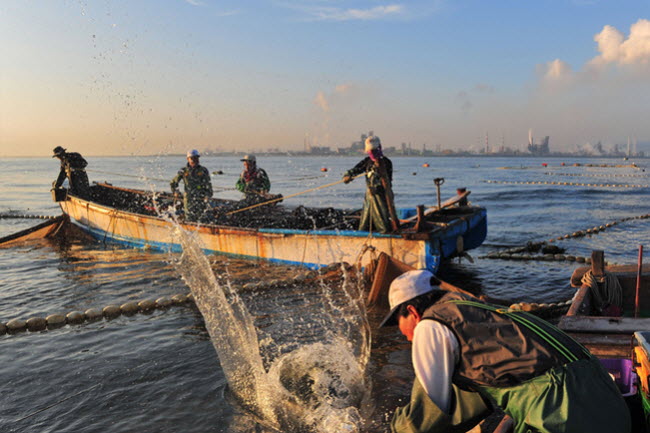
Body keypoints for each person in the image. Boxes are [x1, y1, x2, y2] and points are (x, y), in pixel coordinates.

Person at [381, 269, 631, 433]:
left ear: (412, 312)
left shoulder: (430, 324)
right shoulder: (479, 314)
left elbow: (431, 406)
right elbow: (470, 400)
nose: (403, 334)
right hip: (610, 407)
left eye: (399, 324)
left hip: (564, 418)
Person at [342, 135, 398, 233]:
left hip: (381, 196)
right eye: (370, 150)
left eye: (374, 150)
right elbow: (355, 170)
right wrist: (347, 176)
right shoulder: (367, 162)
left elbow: (387, 182)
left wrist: (379, 169)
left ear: (379, 147)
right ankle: (363, 235)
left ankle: (386, 234)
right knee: (364, 223)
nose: (372, 152)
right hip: (369, 196)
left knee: (383, 221)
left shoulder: (386, 162)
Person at [170, 149, 213, 222]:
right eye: (192, 158)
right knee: (189, 218)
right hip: (189, 199)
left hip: (200, 198)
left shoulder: (203, 170)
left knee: (201, 218)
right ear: (188, 159)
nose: (194, 160)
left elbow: (208, 185)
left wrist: (208, 195)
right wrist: (176, 191)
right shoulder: (183, 171)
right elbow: (173, 182)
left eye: (196, 158)